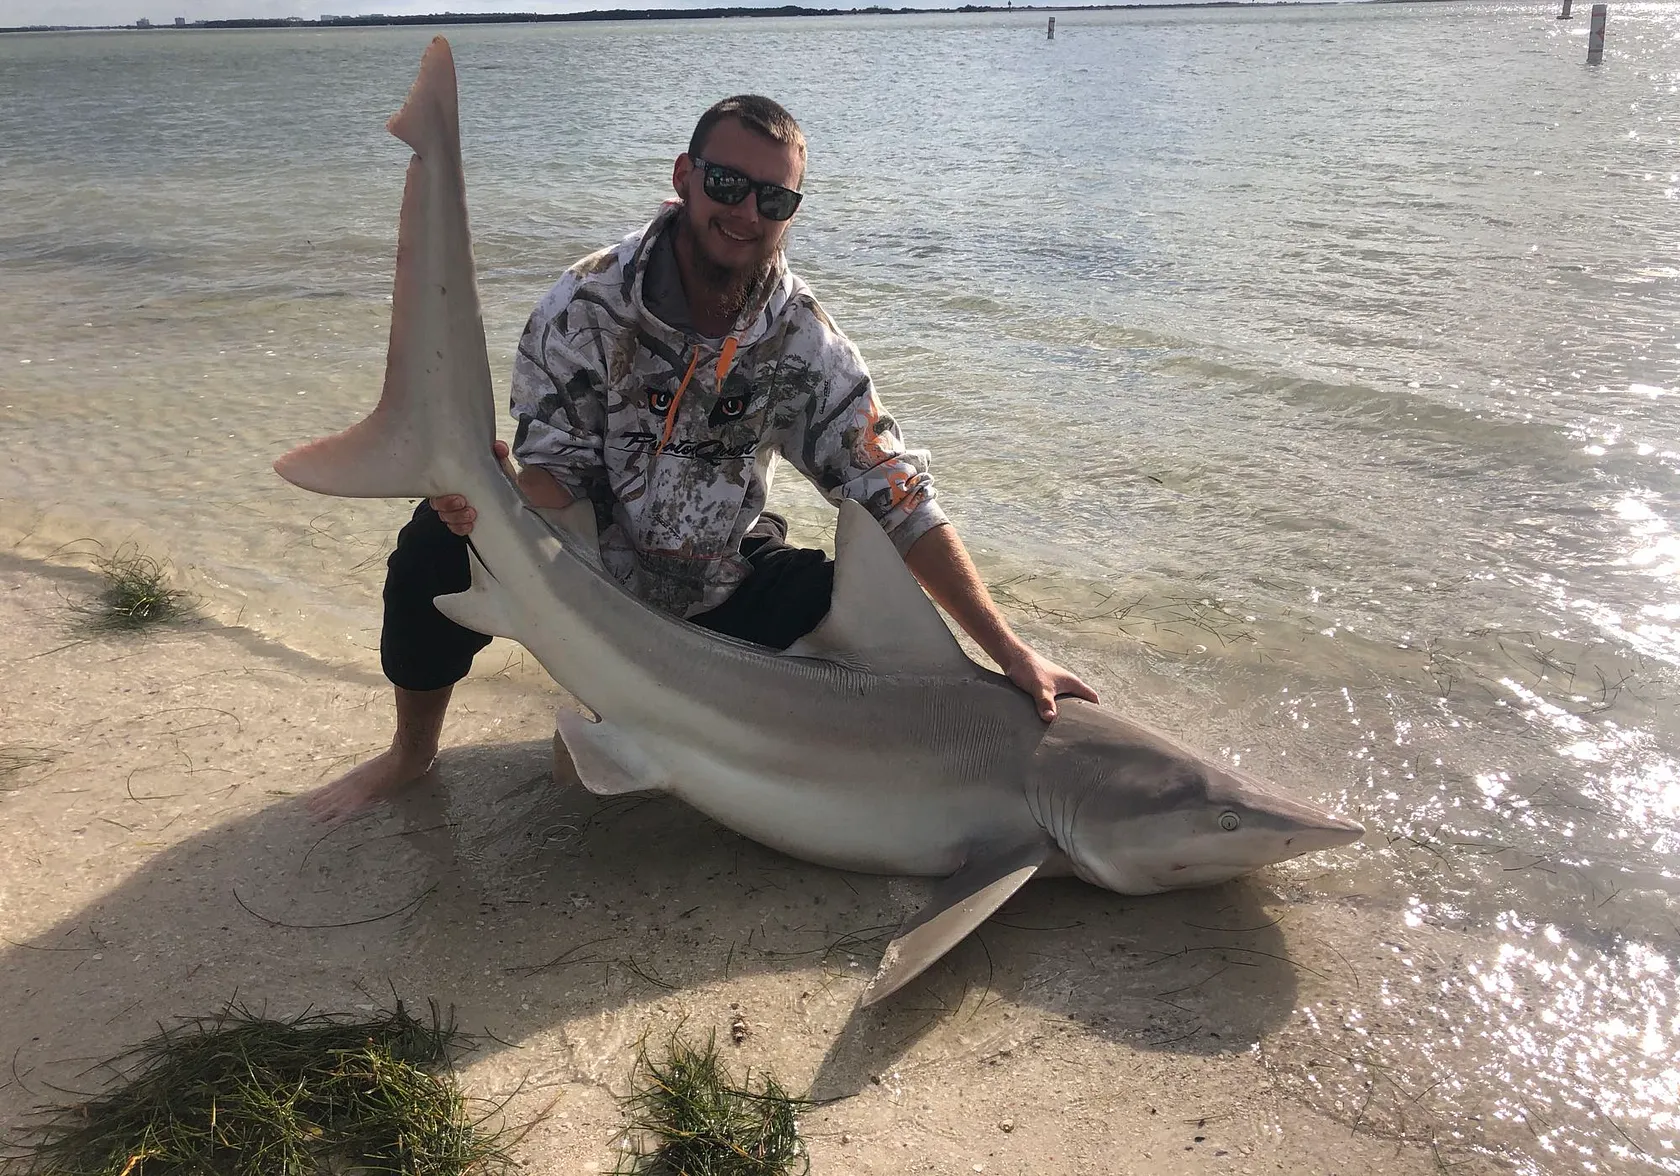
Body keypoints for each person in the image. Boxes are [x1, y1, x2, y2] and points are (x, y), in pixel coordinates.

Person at [308, 95, 1097, 823]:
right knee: (435, 547)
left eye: (774, 199)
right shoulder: (585, 307)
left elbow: (893, 493)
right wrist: (495, 497)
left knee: (875, 622)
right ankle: (412, 754)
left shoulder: (801, 340)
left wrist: (1009, 651)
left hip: (723, 574)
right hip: (596, 569)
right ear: (685, 176)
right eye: (726, 182)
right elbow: (557, 479)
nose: (746, 212)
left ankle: (688, 736)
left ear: (791, 212)